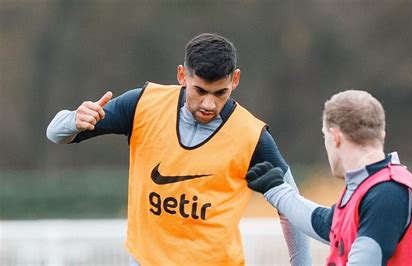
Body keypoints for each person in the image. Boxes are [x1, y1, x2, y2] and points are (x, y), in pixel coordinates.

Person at [46, 33, 311, 265]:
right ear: (182, 75)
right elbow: (55, 133)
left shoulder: (252, 136)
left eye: (220, 93)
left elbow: (291, 207)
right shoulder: (143, 105)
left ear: (235, 80)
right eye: (200, 90)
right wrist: (74, 120)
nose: (209, 103)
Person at [246, 90, 412, 265]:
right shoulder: (371, 186)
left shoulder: (388, 192)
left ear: (335, 137)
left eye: (324, 136)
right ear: (381, 133)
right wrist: (277, 190)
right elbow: (326, 224)